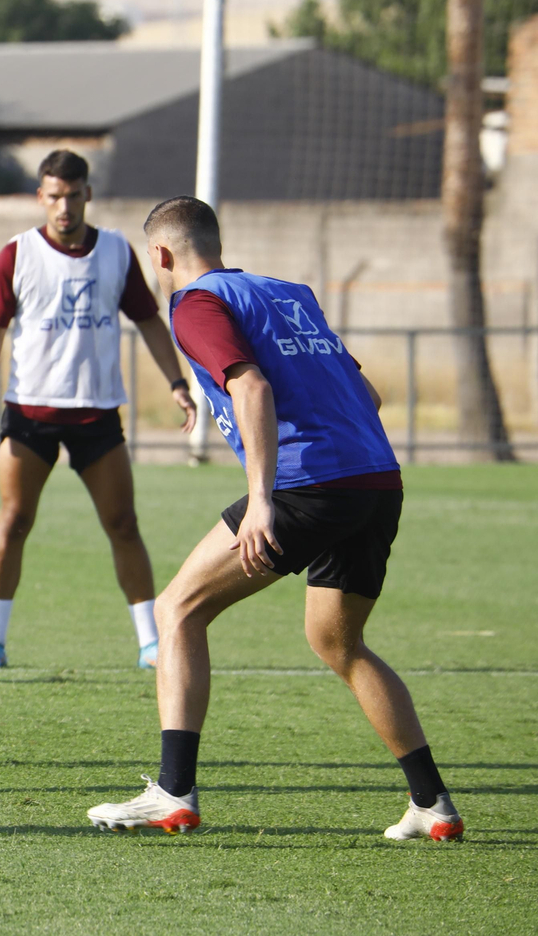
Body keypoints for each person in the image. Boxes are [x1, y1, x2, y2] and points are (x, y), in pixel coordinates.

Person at [88, 196, 460, 841]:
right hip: (376, 480)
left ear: (161, 255)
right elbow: (366, 393)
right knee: (337, 642)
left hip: (305, 484)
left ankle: (173, 793)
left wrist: (263, 498)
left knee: (175, 609)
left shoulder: (196, 303)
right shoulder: (290, 294)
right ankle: (431, 804)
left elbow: (251, 386)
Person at [0, 150, 197, 670]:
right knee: (14, 521)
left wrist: (177, 383)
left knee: (123, 523)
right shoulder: (18, 253)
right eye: (54, 196)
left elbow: (150, 322)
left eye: (73, 195)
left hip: (96, 414)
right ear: (40, 197)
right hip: (30, 414)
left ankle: (149, 642)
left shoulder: (116, 251)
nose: (64, 206)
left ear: (87, 194)